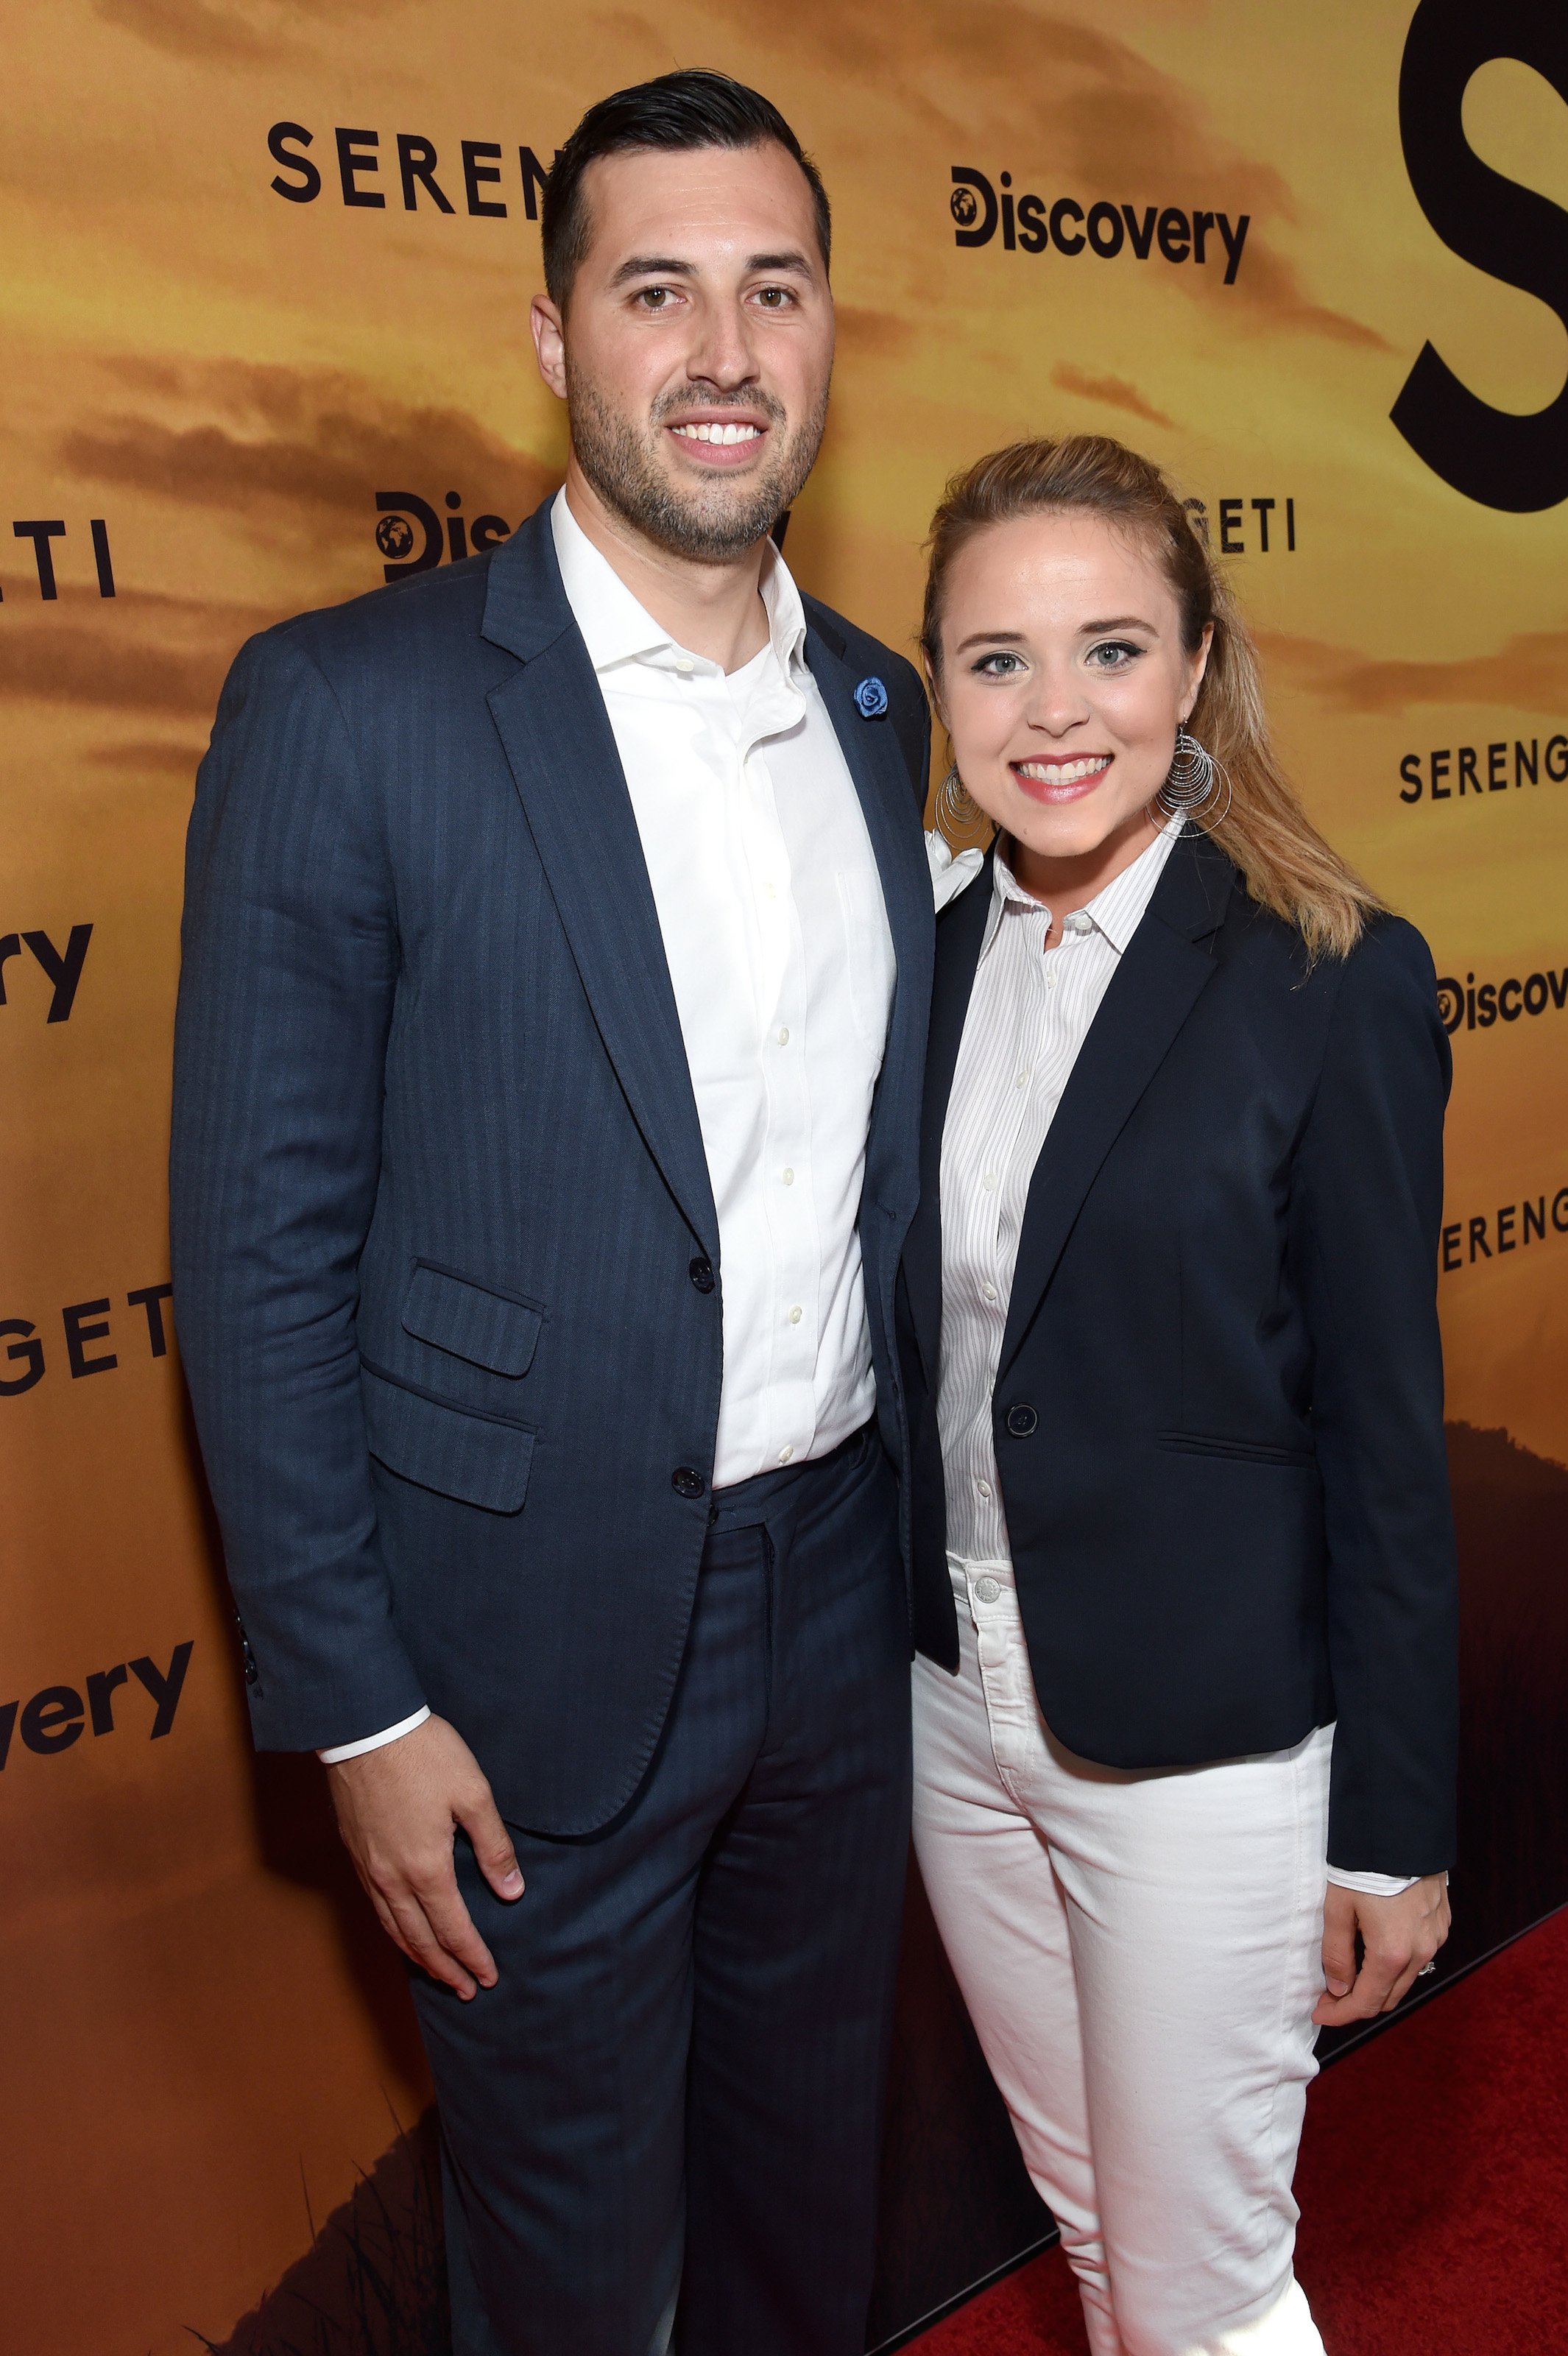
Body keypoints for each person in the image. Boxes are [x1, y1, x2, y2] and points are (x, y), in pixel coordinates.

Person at [170, 71, 936, 2356]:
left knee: (816, 2228)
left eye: (771, 289)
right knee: (577, 2283)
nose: (723, 350)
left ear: (827, 332)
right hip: (515, 1652)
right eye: (657, 290)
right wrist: (356, 1704)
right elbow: (259, 1250)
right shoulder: (347, 707)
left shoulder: (890, 706)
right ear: (551, 336)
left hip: (836, 1608)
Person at [899, 434, 1458, 2355]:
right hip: (950, 1709)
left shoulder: (1329, 979)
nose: (1053, 713)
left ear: (1196, 663)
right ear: (940, 683)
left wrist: (1388, 1826)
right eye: (994, 660)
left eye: (1109, 649)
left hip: (1205, 1750)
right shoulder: (924, 956)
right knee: (1089, 2232)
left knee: (1207, 2290)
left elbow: (1389, 1442)